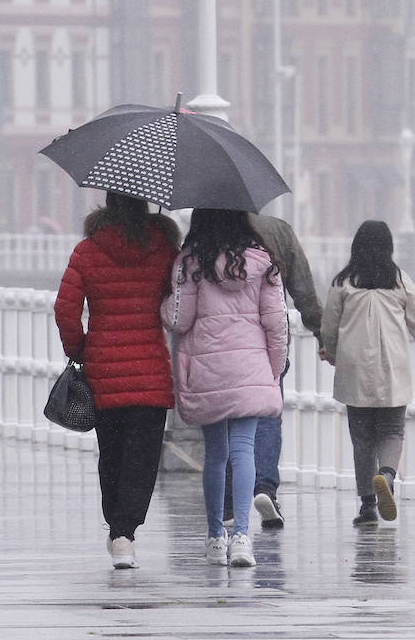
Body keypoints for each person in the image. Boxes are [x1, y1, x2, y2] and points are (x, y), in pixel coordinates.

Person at [54, 193, 180, 570]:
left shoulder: (88, 251)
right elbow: (178, 302)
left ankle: (117, 531)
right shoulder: (164, 250)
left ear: (106, 206)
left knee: (112, 454)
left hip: (104, 369)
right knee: (143, 458)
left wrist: (78, 348)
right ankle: (127, 532)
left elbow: (65, 309)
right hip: (151, 370)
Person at [161, 208, 289, 568]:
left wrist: (165, 298)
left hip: (208, 368)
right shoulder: (263, 262)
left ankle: (216, 536)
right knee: (244, 450)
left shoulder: (189, 262)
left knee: (216, 454)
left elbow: (177, 320)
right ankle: (243, 537)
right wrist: (273, 372)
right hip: (252, 368)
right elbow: (277, 325)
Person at [320, 220, 415, 527]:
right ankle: (387, 475)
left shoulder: (343, 282)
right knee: (392, 430)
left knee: (362, 439)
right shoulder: (399, 280)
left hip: (354, 369)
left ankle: (367, 506)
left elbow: (329, 326)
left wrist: (330, 351)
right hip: (392, 367)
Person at [247, 213, 324, 531]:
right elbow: (304, 290)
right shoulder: (277, 231)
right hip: (268, 343)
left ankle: (226, 501)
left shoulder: (206, 225)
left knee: (223, 427)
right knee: (267, 418)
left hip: (219, 347)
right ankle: (265, 488)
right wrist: (322, 333)